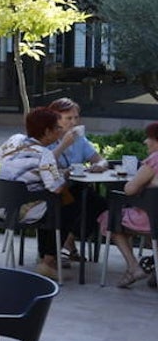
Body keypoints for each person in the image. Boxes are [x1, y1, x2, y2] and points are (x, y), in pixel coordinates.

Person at [0, 107, 67, 280]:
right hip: (21, 211)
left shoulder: (15, 139)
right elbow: (55, 187)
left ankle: (45, 258)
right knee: (68, 206)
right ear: (47, 131)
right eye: (57, 128)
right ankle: (47, 261)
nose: (60, 131)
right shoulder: (45, 154)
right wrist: (65, 175)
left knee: (57, 204)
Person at [47, 97, 108, 264]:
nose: (74, 122)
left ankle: (69, 239)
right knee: (72, 205)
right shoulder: (48, 137)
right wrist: (64, 145)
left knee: (100, 203)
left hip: (76, 187)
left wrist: (99, 166)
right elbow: (45, 163)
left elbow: (101, 160)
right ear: (55, 119)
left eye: (76, 117)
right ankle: (55, 251)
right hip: (54, 189)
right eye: (69, 118)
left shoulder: (79, 138)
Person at [97, 121, 158, 288]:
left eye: (149, 138)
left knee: (109, 217)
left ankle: (133, 266)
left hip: (150, 218)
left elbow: (129, 189)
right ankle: (154, 268)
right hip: (153, 217)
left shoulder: (154, 159)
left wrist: (133, 182)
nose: (145, 141)